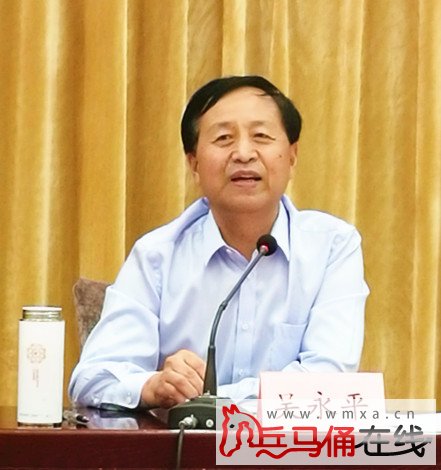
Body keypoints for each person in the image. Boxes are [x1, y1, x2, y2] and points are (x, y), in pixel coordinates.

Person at [69, 75, 369, 410]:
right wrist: (152, 386)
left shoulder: (332, 248)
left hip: (285, 444)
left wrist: (210, 400)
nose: (243, 154)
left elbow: (329, 381)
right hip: (182, 444)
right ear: (194, 163)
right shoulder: (158, 255)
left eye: (261, 136)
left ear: (292, 156)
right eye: (224, 138)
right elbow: (92, 378)